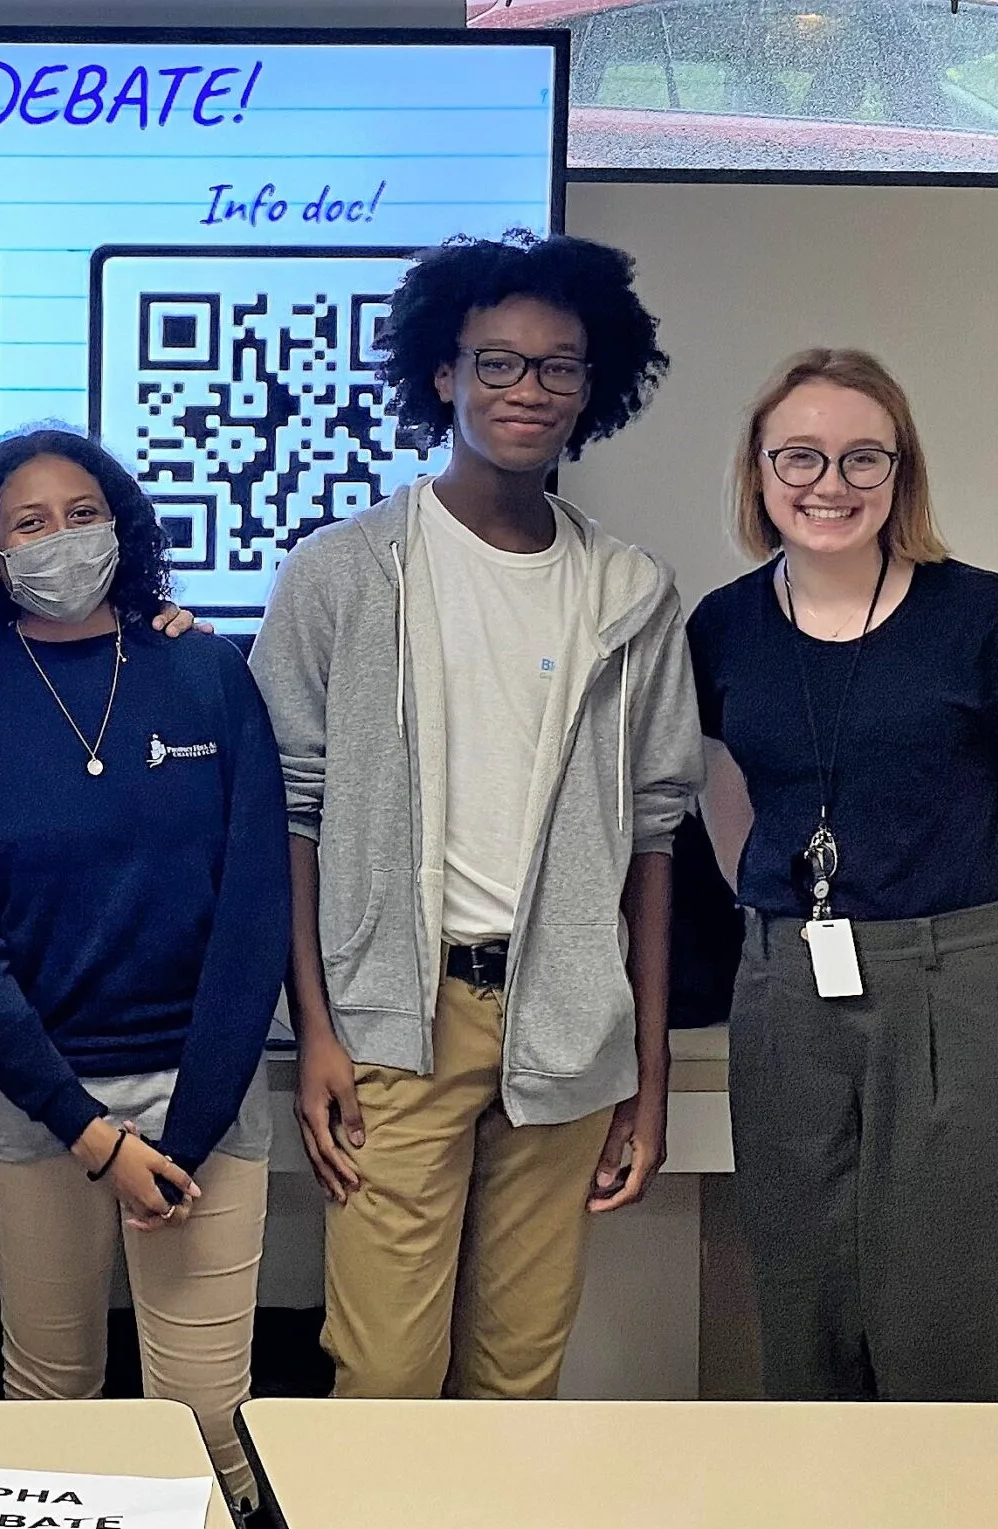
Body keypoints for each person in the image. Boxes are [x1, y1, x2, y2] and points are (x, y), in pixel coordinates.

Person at [250, 231, 701, 1401]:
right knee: (385, 1378)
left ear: (592, 389)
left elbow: (655, 839)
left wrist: (645, 1079)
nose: (527, 390)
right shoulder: (343, 574)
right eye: (496, 363)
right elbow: (286, 814)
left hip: (564, 1027)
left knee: (517, 1382)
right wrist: (318, 1035)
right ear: (442, 373)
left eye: (558, 367)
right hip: (397, 1025)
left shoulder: (630, 592)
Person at [691, 348, 998, 1401]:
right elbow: (728, 804)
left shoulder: (982, 615)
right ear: (757, 473)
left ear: (901, 475)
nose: (828, 484)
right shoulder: (724, 624)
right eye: (797, 456)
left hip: (968, 986)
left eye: (861, 458)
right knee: (802, 1320)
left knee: (949, 1333)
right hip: (787, 989)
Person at [0, 428, 289, 1507]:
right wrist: (87, 1130)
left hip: (203, 1099)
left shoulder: (205, 672)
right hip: (40, 1104)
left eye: (84, 513)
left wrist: (192, 1127)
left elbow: (254, 907)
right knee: (49, 1413)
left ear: (122, 527)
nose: (63, 537)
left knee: (210, 1426)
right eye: (29, 522)